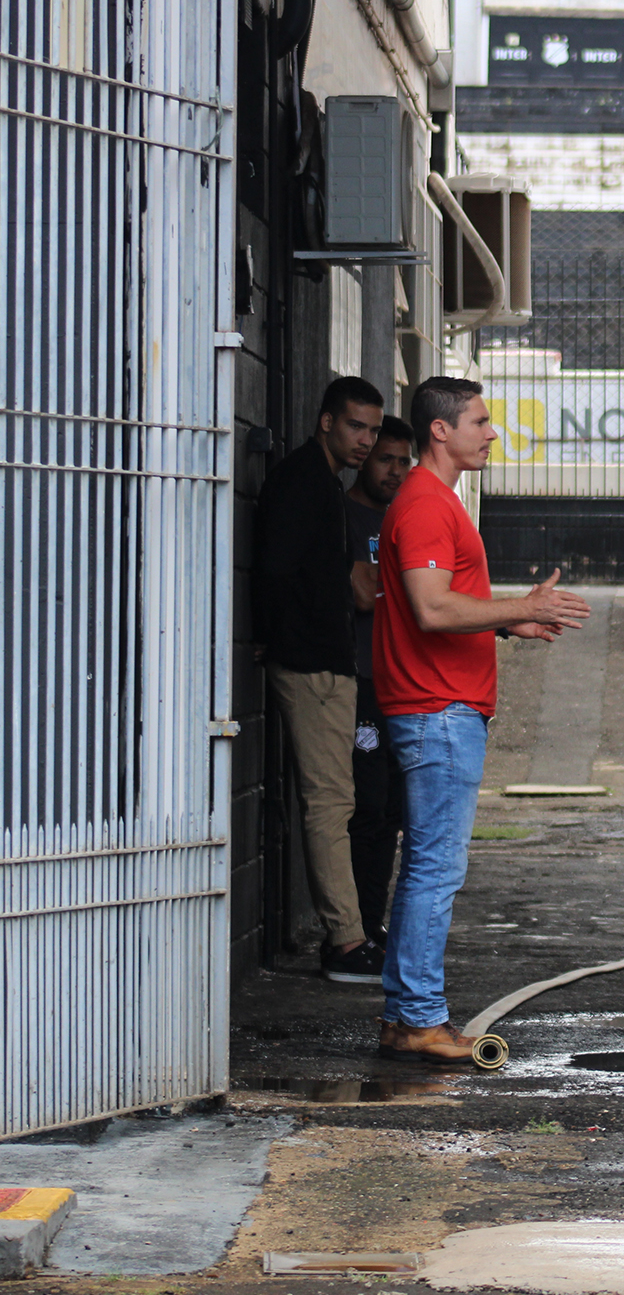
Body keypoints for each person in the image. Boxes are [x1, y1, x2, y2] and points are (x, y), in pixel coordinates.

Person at [374, 378, 593, 1065]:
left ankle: (408, 1014)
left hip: (441, 706)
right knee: (435, 869)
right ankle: (416, 1018)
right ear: (441, 431)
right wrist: (516, 605)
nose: (491, 432)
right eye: (480, 420)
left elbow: (443, 609)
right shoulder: (426, 506)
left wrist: (511, 621)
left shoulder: (434, 501)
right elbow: (433, 609)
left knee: (429, 868)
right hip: (438, 709)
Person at [253, 376, 387, 983]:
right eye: (356, 426)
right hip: (312, 663)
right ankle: (345, 941)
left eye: (374, 429)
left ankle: (349, 936)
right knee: (332, 802)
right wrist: (279, 639)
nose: (366, 440)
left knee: (335, 800)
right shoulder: (303, 480)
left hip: (321, 659)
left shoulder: (318, 482)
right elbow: (274, 570)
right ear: (327, 421)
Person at [346, 417, 415, 946]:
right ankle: (358, 929)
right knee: (366, 808)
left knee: (394, 810)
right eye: (384, 459)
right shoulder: (345, 516)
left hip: (401, 687)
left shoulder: (407, 519)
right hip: (359, 682)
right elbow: (363, 594)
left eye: (402, 461)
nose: (395, 471)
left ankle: (376, 925)